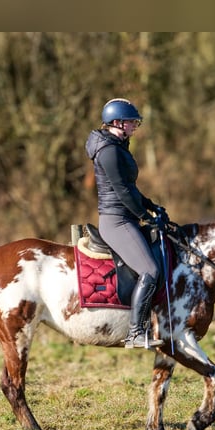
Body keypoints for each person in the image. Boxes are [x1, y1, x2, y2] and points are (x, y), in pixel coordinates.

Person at [85, 98, 168, 349]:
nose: (135, 125)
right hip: (117, 221)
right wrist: (143, 214)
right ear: (118, 122)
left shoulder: (117, 145)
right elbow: (122, 191)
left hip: (125, 216)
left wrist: (151, 205)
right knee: (150, 271)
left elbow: (130, 188)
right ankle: (135, 333)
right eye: (132, 121)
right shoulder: (109, 150)